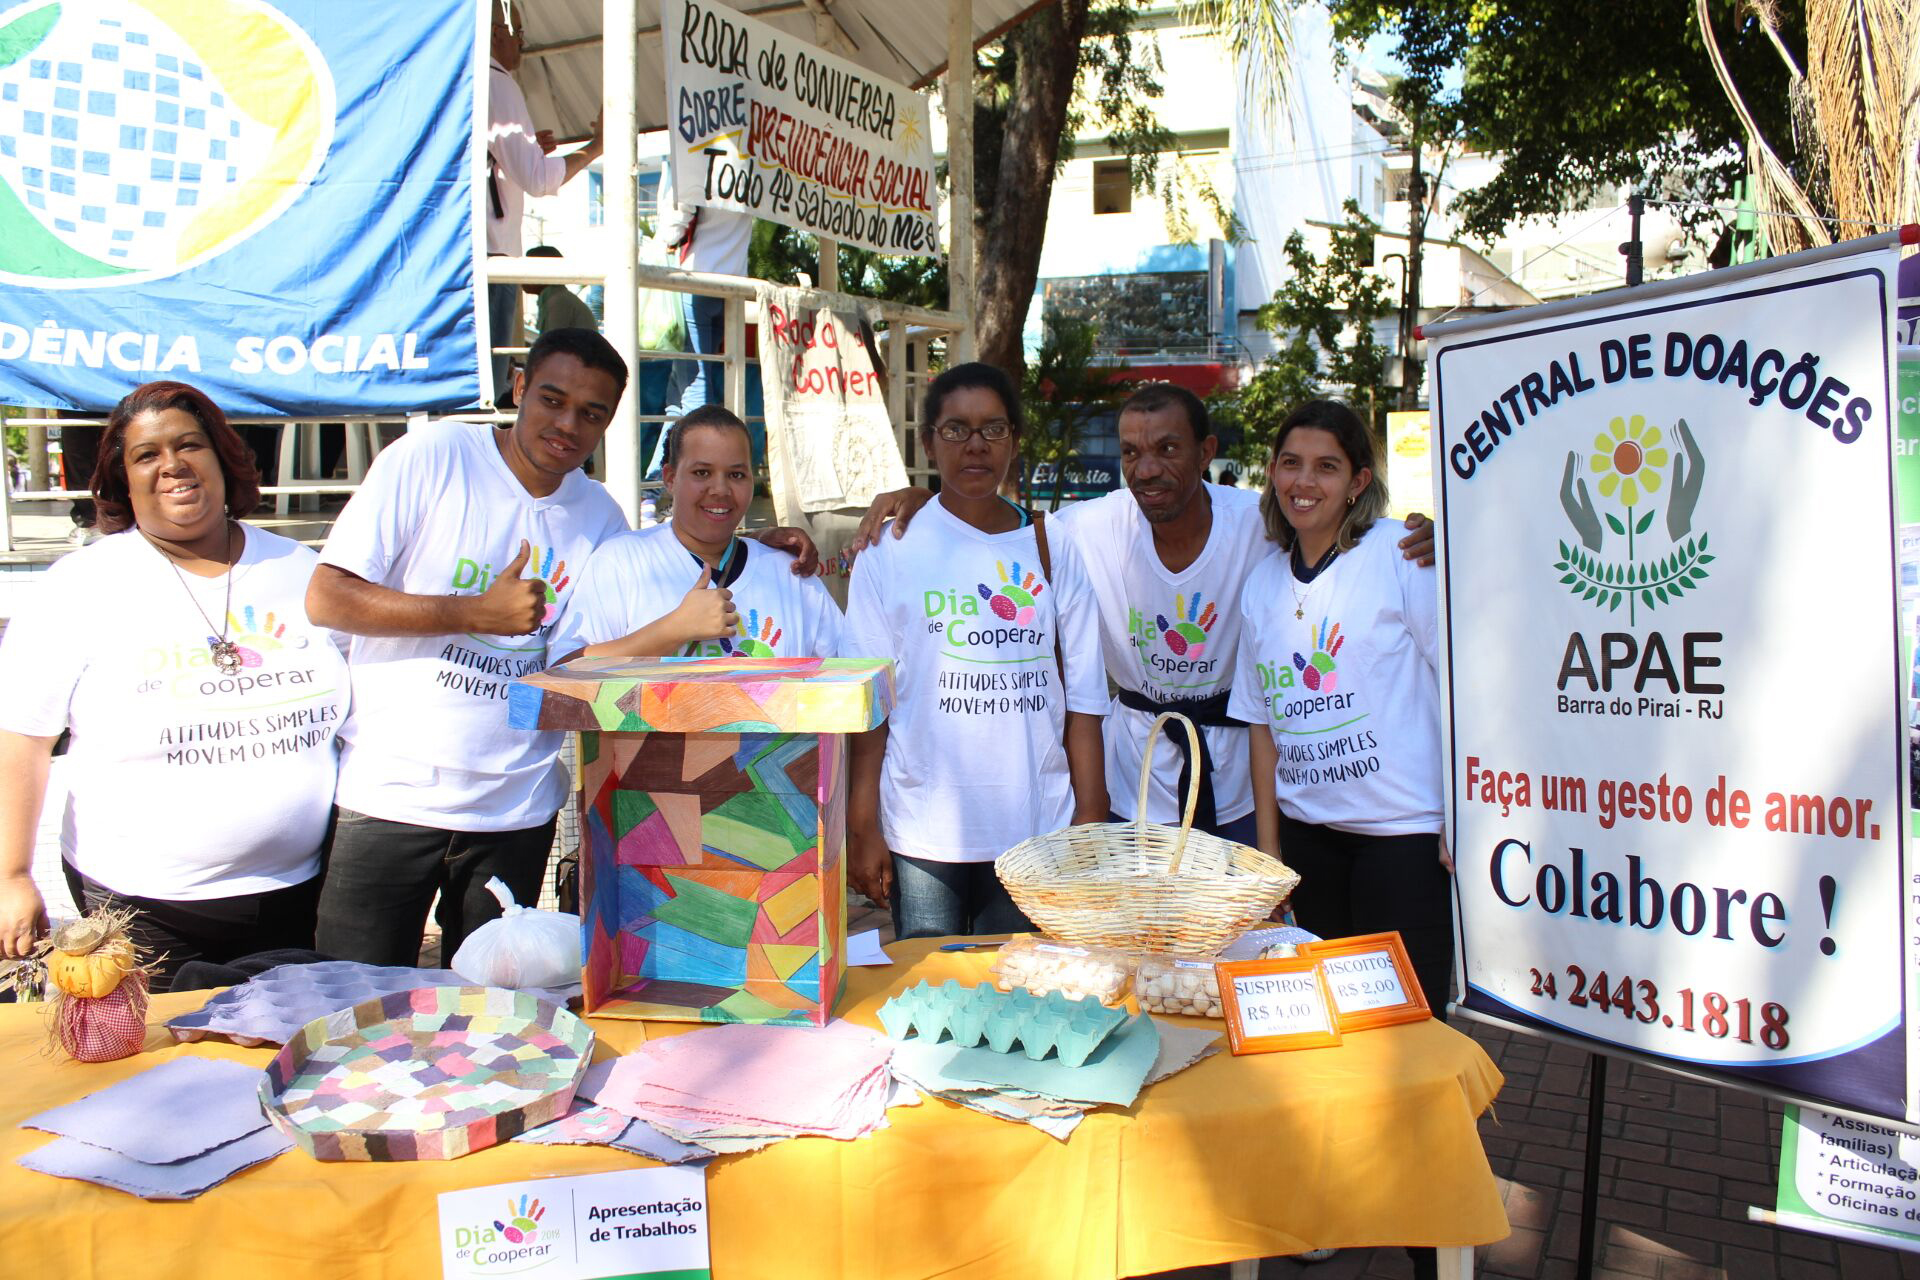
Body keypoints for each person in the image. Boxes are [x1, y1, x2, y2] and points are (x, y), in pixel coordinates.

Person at [851, 383, 1435, 844]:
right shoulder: (1087, 529)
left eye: (1168, 449)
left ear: (1207, 452)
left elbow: (1329, 524)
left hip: (1241, 782)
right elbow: (999, 525)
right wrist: (927, 501)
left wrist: (1429, 538)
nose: (1147, 468)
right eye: (1131, 451)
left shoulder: (1259, 525)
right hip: (1135, 777)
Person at [0, 382, 348, 988]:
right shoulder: (76, 587)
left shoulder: (302, 572)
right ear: (122, 481)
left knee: (284, 1062)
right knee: (168, 1072)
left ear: (223, 457)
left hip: (301, 896)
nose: (172, 466)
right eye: (146, 455)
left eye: (189, 445)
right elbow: (21, 742)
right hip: (142, 911)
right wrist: (11, 876)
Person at [305, 328, 632, 967]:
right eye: (552, 399)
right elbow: (328, 596)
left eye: (591, 413)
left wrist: (763, 549)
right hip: (389, 796)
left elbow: (596, 645)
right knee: (356, 1009)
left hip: (516, 808)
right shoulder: (432, 456)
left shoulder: (602, 517)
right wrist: (473, 611)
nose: (567, 424)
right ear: (518, 388)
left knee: (494, 1016)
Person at [842, 363, 1108, 939]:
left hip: (1036, 826)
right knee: (933, 998)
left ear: (1015, 438)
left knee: (1021, 999)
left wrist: (1090, 818)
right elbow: (870, 704)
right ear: (929, 440)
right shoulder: (890, 548)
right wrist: (863, 820)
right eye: (956, 429)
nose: (976, 446)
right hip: (922, 827)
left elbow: (1084, 700)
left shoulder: (1052, 544)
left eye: (994, 429)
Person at [1227, 399, 1452, 1014]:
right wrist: (1270, 856)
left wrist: (1466, 816)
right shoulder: (1262, 584)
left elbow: (1461, 684)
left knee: (1411, 1027)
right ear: (1272, 471)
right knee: (1329, 1022)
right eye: (1291, 463)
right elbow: (1261, 726)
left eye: (1327, 467)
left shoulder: (1401, 553)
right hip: (1309, 844)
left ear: (1357, 482)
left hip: (1402, 839)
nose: (1305, 482)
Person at [550, 406, 841, 662]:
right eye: (702, 473)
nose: (720, 490)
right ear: (670, 478)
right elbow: (563, 672)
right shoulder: (622, 562)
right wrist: (672, 630)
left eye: (736, 475)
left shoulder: (788, 572)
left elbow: (851, 673)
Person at [487, 2, 603, 400]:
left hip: (461, 253)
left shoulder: (458, 80)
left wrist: (525, 152)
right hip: (491, 254)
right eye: (518, 33)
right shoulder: (495, 81)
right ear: (495, 32)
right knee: (486, 381)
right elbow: (536, 178)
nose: (521, 43)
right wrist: (595, 149)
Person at [646, 158, 754, 488]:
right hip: (733, 284)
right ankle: (657, 481)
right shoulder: (752, 163)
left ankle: (664, 483)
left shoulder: (696, 152)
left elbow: (674, 222)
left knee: (692, 392)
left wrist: (662, 240)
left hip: (694, 280)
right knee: (689, 392)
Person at [524, 246, 600, 337]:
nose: (523, 274)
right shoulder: (556, 297)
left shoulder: (558, 301)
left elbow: (552, 343)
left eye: (527, 268)